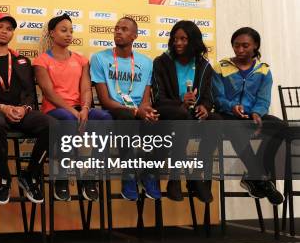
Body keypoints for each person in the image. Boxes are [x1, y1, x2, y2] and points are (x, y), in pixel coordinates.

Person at [0, 13, 52, 205]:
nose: (5, 31)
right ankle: (5, 178)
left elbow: (30, 93)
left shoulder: (22, 61)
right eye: (0, 26)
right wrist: (2, 107)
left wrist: (24, 109)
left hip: (18, 112)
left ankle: (30, 174)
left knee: (52, 125)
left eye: (9, 28)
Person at [34, 14, 112, 201]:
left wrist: (85, 109)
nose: (68, 34)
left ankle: (89, 174)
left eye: (71, 30)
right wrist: (73, 112)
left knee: (105, 118)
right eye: (63, 30)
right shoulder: (41, 60)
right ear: (52, 33)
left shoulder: (81, 60)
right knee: (68, 120)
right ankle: (61, 177)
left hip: (79, 108)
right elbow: (49, 92)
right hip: (54, 110)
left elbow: (85, 88)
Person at [90, 16, 160, 201]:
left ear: (135, 36)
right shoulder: (100, 58)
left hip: (136, 111)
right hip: (116, 110)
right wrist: (135, 111)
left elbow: (145, 100)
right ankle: (128, 176)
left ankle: (149, 175)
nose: (118, 31)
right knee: (126, 118)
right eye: (116, 28)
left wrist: (146, 111)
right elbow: (105, 100)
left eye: (124, 29)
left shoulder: (146, 62)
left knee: (156, 122)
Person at [212, 27, 285, 205]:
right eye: (236, 46)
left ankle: (252, 176)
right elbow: (217, 97)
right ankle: (260, 178)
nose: (240, 50)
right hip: (227, 114)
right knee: (236, 129)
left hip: (252, 115)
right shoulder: (220, 67)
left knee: (280, 126)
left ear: (256, 46)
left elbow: (263, 98)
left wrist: (257, 113)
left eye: (245, 46)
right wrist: (232, 106)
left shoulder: (264, 70)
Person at [151, 20, 221, 203]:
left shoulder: (204, 65)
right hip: (169, 113)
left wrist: (205, 108)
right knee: (182, 117)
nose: (178, 43)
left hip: (191, 115)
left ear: (194, 41)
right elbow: (158, 99)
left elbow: (208, 96)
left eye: (183, 39)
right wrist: (181, 102)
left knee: (215, 121)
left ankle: (197, 176)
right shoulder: (161, 62)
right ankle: (174, 179)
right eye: (175, 39)